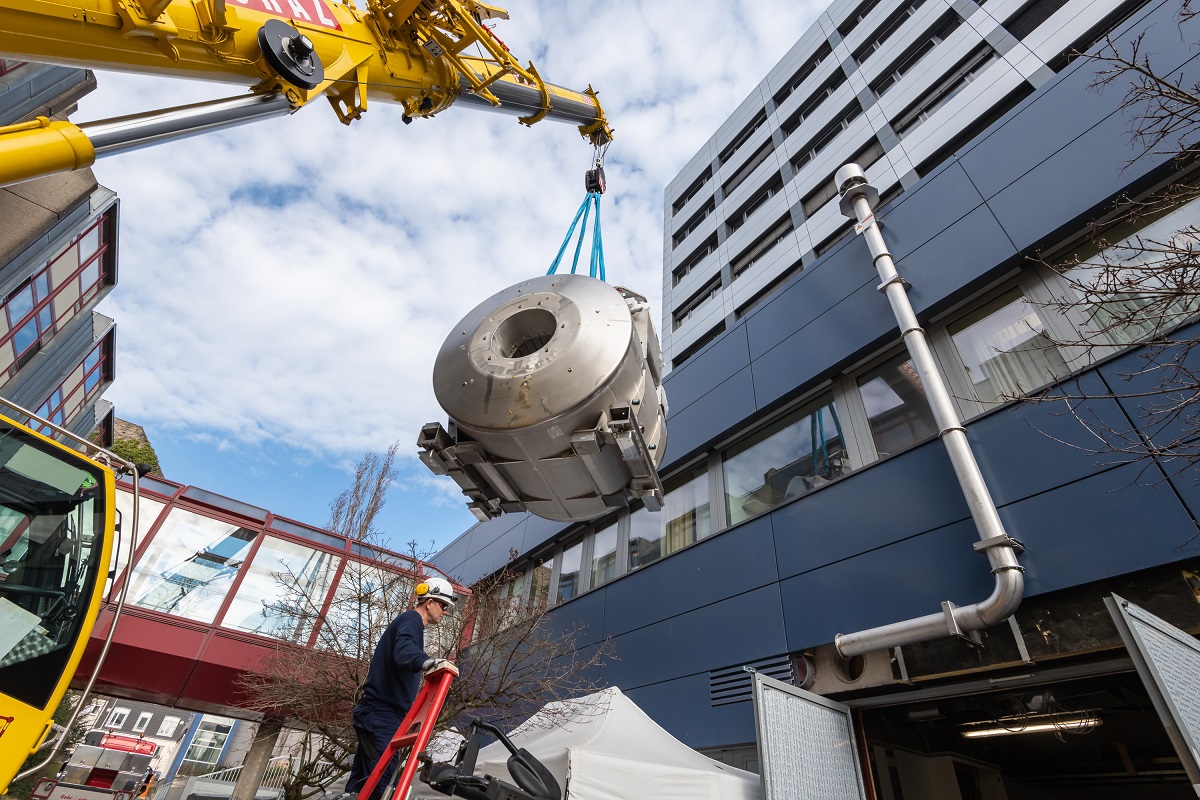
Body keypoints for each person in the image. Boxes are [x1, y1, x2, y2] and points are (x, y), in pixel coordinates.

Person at [344, 576, 458, 800]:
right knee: (384, 783)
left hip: (379, 712)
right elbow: (404, 650)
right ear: (430, 602)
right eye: (444, 605)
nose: (445, 612)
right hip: (381, 713)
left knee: (362, 785)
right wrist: (427, 662)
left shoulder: (411, 624)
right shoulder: (411, 620)